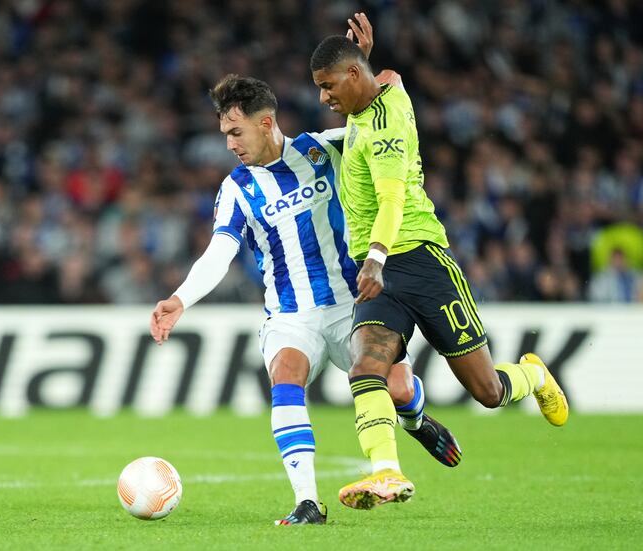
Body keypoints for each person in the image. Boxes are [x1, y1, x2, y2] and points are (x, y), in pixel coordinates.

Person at [150, 17, 461, 526]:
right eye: (224, 133)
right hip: (290, 313)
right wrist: (179, 299)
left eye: (235, 131)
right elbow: (219, 252)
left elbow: (383, 115)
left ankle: (419, 421)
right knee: (286, 378)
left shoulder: (323, 148)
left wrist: (363, 66)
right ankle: (307, 502)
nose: (229, 143)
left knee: (400, 389)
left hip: (350, 303)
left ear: (266, 122)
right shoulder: (236, 189)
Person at [309, 34, 569, 510]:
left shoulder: (384, 131)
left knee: (488, 392)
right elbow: (388, 76)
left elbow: (390, 200)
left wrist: (375, 257)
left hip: (422, 264)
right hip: (382, 274)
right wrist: (364, 58)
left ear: (351, 76)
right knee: (366, 365)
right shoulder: (383, 90)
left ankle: (532, 376)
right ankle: (385, 471)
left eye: (328, 86)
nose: (323, 98)